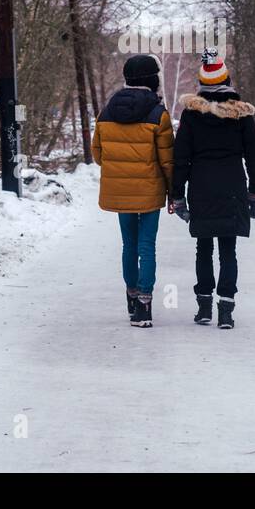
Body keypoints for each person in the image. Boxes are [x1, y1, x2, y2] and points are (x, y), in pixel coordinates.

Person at [170, 48, 255, 329]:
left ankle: (204, 309)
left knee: (203, 248)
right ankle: (226, 311)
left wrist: (177, 195)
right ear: (228, 80)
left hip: (201, 188)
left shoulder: (191, 115)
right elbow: (254, 157)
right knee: (228, 250)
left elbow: (181, 158)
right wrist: (254, 194)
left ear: (202, 84)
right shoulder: (241, 115)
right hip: (233, 187)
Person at [91, 54, 174, 327]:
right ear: (153, 80)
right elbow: (167, 161)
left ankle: (130, 295)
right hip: (149, 191)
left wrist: (119, 169)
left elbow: (98, 154)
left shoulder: (106, 112)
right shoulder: (158, 114)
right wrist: (174, 192)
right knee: (146, 246)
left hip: (120, 190)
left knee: (129, 244)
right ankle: (144, 305)